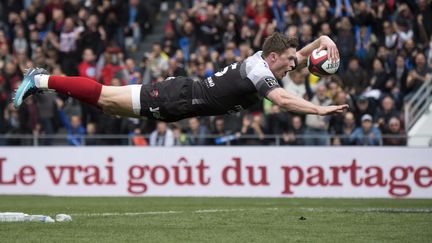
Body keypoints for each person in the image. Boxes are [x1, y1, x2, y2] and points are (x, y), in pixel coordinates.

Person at [13, 32, 348, 124]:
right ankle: (40, 80)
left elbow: (302, 55)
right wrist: (318, 109)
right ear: (275, 57)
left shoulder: (270, 61)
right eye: (289, 61)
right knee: (104, 96)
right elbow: (284, 101)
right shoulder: (261, 72)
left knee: (108, 108)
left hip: (181, 104)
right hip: (177, 95)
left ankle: (44, 82)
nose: (295, 65)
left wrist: (324, 41)